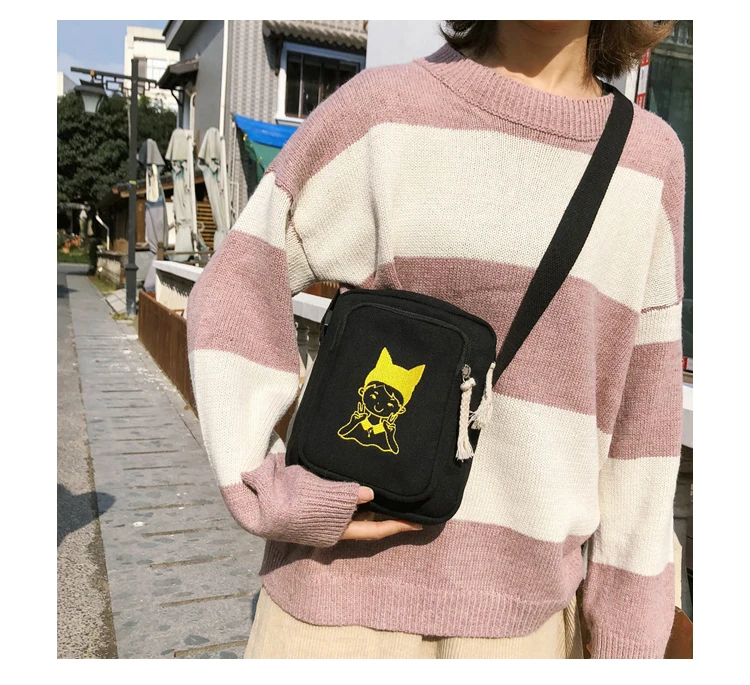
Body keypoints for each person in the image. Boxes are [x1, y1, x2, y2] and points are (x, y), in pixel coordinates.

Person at [187, 20, 684, 659]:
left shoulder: (648, 161)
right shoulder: (380, 111)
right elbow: (236, 286)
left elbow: (645, 420)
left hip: (522, 629)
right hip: (331, 616)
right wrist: (267, 490)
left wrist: (627, 642)